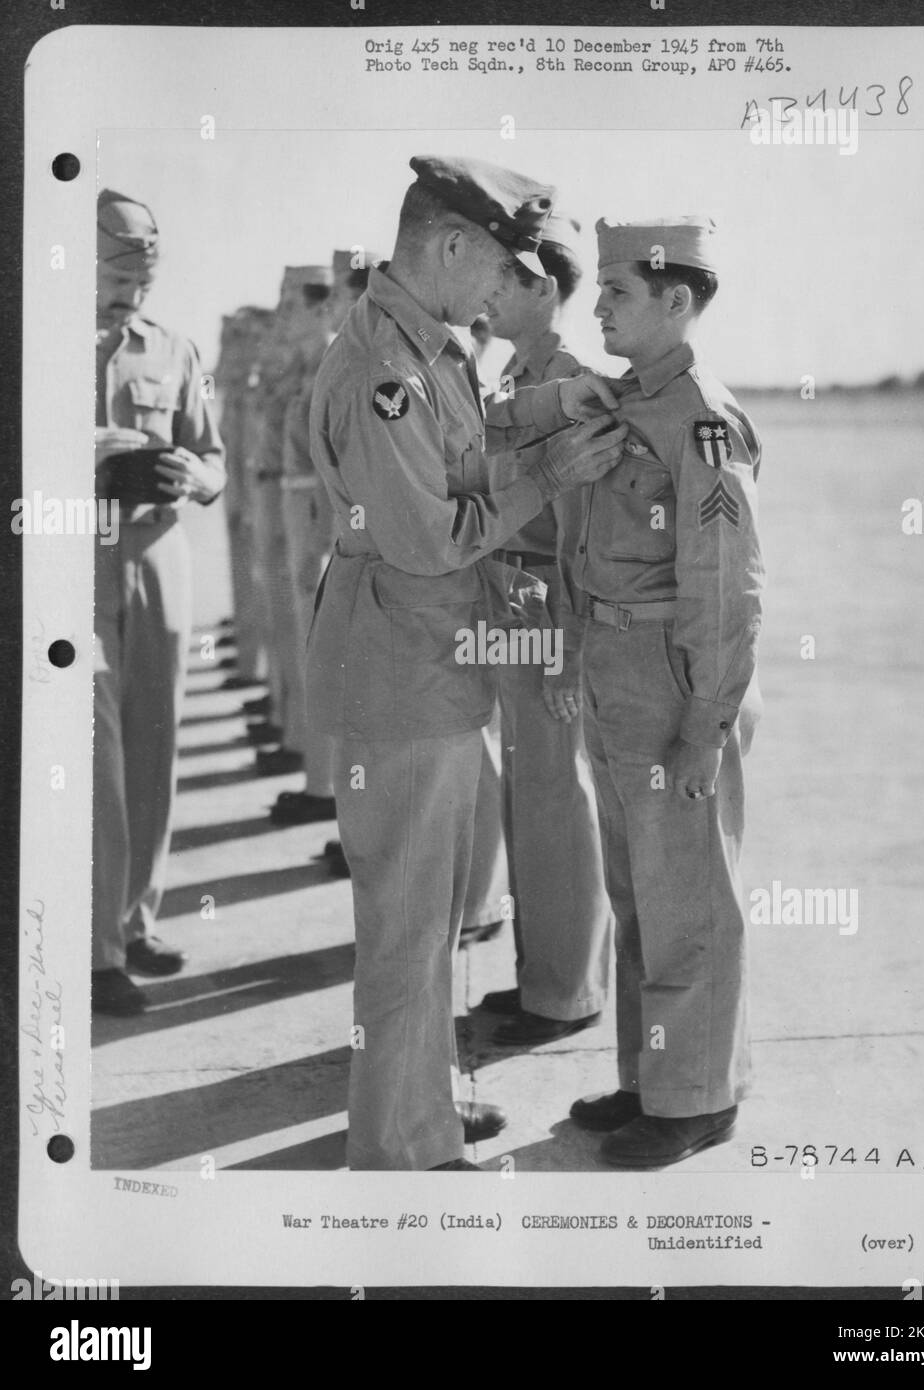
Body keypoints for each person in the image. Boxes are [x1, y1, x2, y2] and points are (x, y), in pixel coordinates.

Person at [305, 154, 628, 1170]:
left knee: (436, 913)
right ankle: (400, 1146)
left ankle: (427, 1102)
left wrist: (543, 443)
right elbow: (429, 535)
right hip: (400, 669)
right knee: (406, 924)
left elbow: (461, 468)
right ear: (448, 247)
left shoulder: (426, 350)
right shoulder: (385, 374)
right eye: (494, 267)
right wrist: (545, 475)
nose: (501, 290)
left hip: (429, 662)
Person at [559, 217, 765, 1167]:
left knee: (689, 897)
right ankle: (653, 1078)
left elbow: (728, 593)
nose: (596, 305)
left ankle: (698, 1100)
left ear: (676, 301)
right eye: (598, 289)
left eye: (616, 293)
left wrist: (704, 728)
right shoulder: (624, 403)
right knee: (639, 892)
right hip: (616, 672)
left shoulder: (702, 421)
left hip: (679, 682)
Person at [478, 213, 613, 1045]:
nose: (488, 293)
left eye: (506, 281)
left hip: (544, 615)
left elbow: (577, 537)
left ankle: (567, 991)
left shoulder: (570, 381)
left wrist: (567, 655)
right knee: (528, 800)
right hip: (507, 607)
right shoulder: (513, 378)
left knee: (558, 803)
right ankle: (541, 978)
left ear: (545, 289)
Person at [92, 189, 225, 1016]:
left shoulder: (171, 349)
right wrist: (94, 460)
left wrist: (191, 474)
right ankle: (100, 945)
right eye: (119, 272)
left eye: (144, 274)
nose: (135, 289)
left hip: (158, 554)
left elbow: (214, 460)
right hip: (77, 554)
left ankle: (137, 918)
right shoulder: (36, 337)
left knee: (154, 741)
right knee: (98, 745)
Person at [272, 253, 372, 825]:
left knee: (334, 659)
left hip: (326, 517)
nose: (330, 305)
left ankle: (330, 795)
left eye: (337, 293)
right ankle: (324, 788)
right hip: (310, 510)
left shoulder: (345, 363)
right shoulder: (332, 361)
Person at [247, 265, 333, 777]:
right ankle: (305, 753)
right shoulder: (304, 367)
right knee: (292, 631)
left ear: (321, 307)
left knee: (314, 646)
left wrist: (319, 540)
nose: (281, 313)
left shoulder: (328, 366)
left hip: (313, 513)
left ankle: (322, 783)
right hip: (287, 501)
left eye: (290, 302)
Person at [216, 306, 274, 690]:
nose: (235, 348)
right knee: (245, 571)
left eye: (245, 338)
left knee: (263, 580)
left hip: (259, 497)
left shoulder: (261, 387)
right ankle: (248, 650)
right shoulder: (238, 391)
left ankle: (255, 665)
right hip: (240, 492)